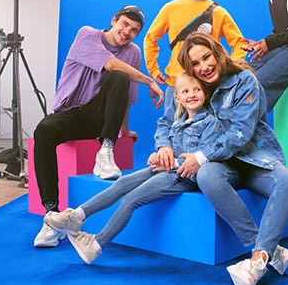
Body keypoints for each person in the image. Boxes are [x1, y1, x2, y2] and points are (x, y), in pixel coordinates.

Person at [156, 32, 288, 285]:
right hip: (222, 165)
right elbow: (166, 121)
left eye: (206, 57)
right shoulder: (191, 86)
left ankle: (257, 261)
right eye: (195, 64)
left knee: (287, 180)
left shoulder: (245, 80)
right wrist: (164, 145)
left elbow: (240, 133)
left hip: (252, 159)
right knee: (207, 175)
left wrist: (200, 156)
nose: (204, 67)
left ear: (217, 53)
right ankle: (266, 250)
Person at [43, 73, 221, 264]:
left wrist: (171, 162)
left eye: (197, 90)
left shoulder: (211, 123)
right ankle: (76, 216)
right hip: (168, 168)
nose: (191, 95)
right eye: (185, 91)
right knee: (123, 183)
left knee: (131, 199)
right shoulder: (178, 121)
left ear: (205, 94)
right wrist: (159, 156)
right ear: (177, 98)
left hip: (183, 176)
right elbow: (170, 147)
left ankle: (95, 245)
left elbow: (200, 157)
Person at [33, 5, 164, 248]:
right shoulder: (88, 35)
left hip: (101, 119)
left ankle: (106, 151)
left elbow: (125, 97)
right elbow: (111, 64)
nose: (127, 32)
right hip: (71, 113)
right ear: (114, 20)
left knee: (120, 77)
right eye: (124, 24)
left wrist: (124, 131)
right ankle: (51, 215)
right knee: (44, 130)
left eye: (134, 30)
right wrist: (149, 81)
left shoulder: (133, 52)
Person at [144, 0, 246, 116]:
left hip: (206, 86)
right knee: (171, 129)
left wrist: (228, 68)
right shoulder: (171, 8)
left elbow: (239, 42)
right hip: (177, 84)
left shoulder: (219, 12)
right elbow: (150, 39)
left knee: (210, 130)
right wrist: (154, 70)